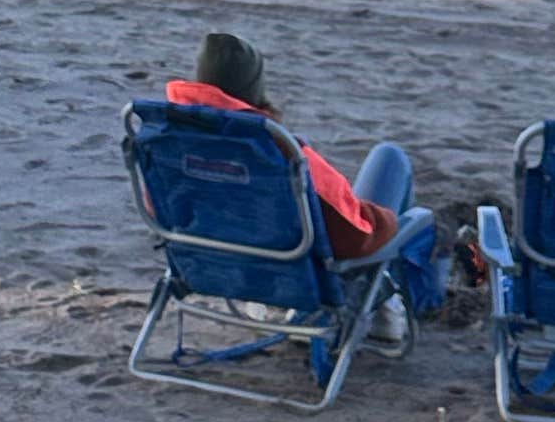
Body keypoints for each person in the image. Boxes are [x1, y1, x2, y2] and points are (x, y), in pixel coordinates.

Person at [164, 30, 450, 343]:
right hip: (301, 280)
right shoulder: (275, 148)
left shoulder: (167, 141)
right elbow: (355, 235)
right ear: (255, 89)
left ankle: (287, 305)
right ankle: (389, 303)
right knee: (390, 160)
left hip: (220, 270)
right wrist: (387, 221)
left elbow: (162, 213)